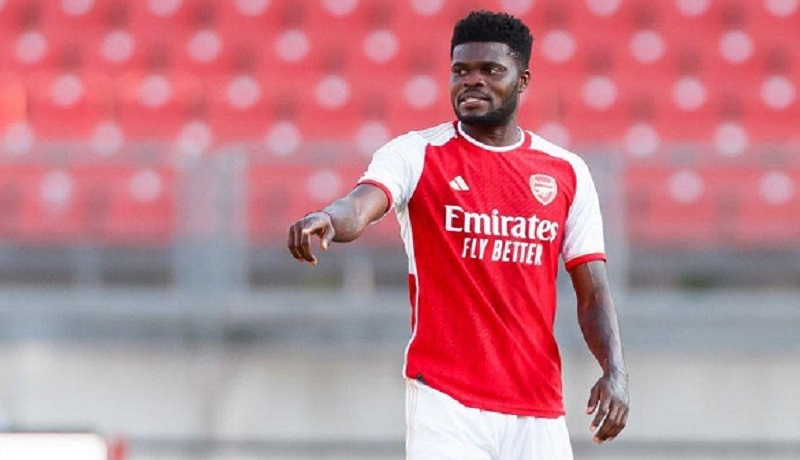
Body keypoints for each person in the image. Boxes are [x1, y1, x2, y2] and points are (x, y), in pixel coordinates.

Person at [287, 10, 628, 460]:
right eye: (460, 70)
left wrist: (615, 370)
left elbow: (593, 291)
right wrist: (330, 218)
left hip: (537, 405)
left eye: (491, 70)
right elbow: (362, 204)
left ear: (523, 80)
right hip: (446, 401)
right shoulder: (416, 154)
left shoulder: (567, 172)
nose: (472, 81)